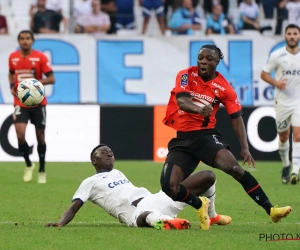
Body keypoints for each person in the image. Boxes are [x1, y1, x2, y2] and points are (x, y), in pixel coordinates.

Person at [161, 44, 292, 230]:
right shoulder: (185, 75)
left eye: (208, 59)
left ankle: (271, 210)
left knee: (234, 169)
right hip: (182, 141)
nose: (203, 62)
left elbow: (236, 118)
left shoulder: (224, 87)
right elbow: (182, 101)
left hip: (205, 137)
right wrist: (199, 108)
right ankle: (200, 205)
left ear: (217, 62)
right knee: (170, 187)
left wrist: (245, 148)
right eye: (200, 58)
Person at [45, 144, 232, 229]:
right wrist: (60, 223)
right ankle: (166, 222)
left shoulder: (118, 173)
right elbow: (75, 205)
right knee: (145, 216)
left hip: (156, 199)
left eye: (111, 151)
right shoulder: (90, 182)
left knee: (208, 176)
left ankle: (212, 217)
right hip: (135, 214)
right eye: (104, 152)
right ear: (94, 160)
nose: (110, 153)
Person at [8, 30, 55, 184]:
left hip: (38, 102)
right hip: (20, 101)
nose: (25, 41)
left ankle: (42, 170)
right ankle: (29, 164)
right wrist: (11, 85)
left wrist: (34, 83)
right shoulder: (13, 57)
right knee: (20, 135)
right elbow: (11, 73)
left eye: (28, 38)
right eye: (22, 38)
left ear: (32, 41)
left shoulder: (40, 57)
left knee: (40, 136)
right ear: (19, 41)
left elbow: (52, 78)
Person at [260, 24, 300, 185]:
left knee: (298, 135)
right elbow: (264, 73)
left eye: (295, 33)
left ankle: (295, 171)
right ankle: (286, 165)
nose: (292, 36)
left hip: (298, 102)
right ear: (285, 36)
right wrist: (277, 83)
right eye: (289, 33)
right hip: (282, 101)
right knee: (283, 136)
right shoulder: (277, 55)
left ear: (299, 36)